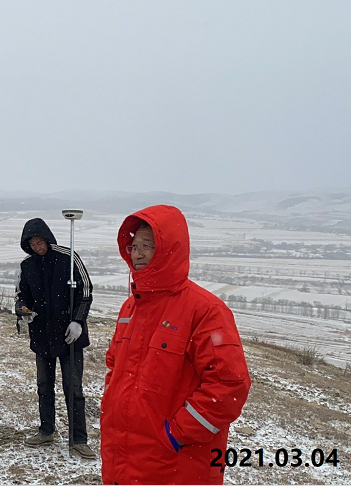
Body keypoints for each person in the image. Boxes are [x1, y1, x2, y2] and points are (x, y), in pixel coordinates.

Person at [100, 205, 251, 485]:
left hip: (175, 466)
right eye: (134, 246)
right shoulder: (131, 307)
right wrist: (112, 406)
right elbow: (114, 364)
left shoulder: (205, 310)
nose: (138, 253)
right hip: (123, 457)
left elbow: (230, 384)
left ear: (171, 249)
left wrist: (176, 433)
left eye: (148, 246)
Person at [15, 217, 95, 459]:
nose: (37, 247)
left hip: (69, 335)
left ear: (47, 238)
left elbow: (86, 290)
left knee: (73, 388)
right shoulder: (27, 265)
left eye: (40, 241)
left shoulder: (68, 257)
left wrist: (77, 321)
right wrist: (24, 311)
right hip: (41, 335)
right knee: (43, 386)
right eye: (32, 243)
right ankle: (46, 430)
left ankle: (79, 439)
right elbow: (21, 295)